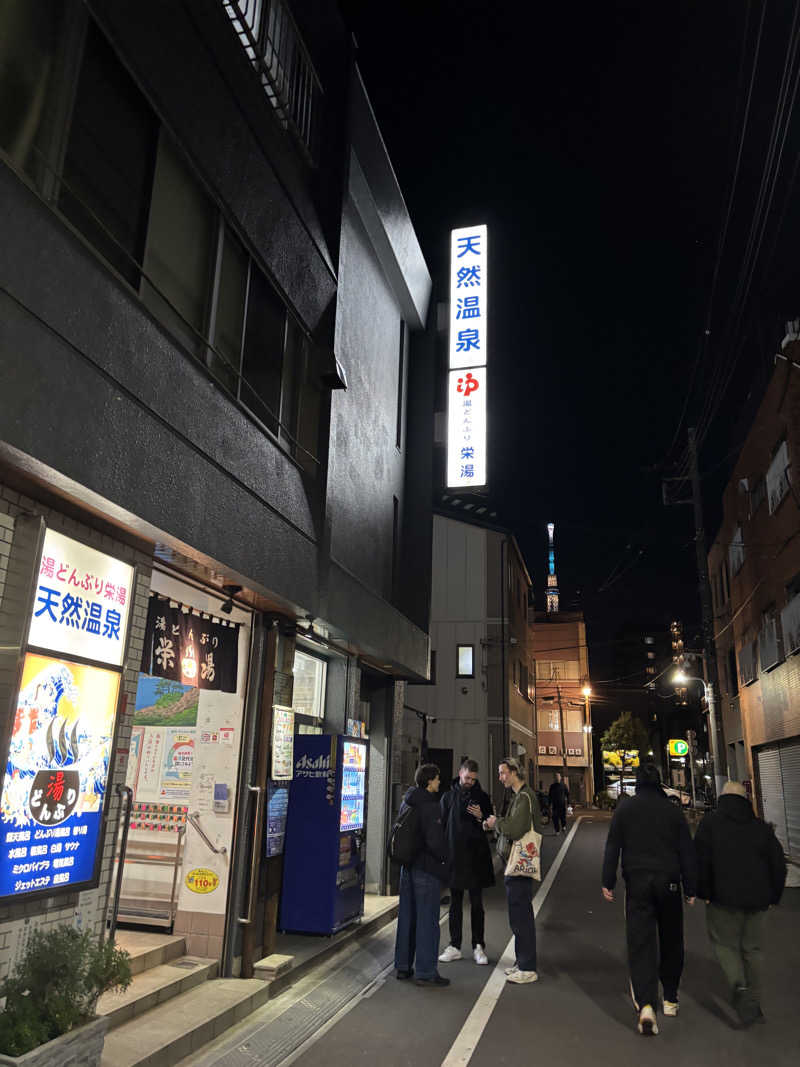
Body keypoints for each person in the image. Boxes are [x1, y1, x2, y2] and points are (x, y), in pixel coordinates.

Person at [601, 761, 696, 1036]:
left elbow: (612, 846)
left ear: (637, 782)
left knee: (641, 942)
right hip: (669, 883)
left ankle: (645, 1004)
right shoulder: (672, 811)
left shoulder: (626, 809)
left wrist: (608, 881)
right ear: (659, 782)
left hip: (638, 883)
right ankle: (670, 998)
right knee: (671, 938)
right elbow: (686, 851)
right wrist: (691, 887)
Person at [694, 780, 786, 1025]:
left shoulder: (710, 824)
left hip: (722, 898)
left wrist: (703, 892)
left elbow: (700, 860)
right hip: (758, 900)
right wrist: (773, 896)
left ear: (723, 798)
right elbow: (778, 865)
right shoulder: (760, 827)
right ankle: (754, 1004)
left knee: (725, 945)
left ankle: (739, 988)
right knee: (752, 950)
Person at [484, 757, 543, 984]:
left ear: (514, 772)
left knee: (521, 916)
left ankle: (528, 967)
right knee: (518, 915)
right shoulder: (521, 796)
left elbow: (516, 829)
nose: (500, 778)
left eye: (502, 773)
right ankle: (522, 962)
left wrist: (495, 823)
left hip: (519, 864)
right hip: (516, 862)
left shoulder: (524, 797)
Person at [394, 763, 451, 987]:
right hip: (426, 869)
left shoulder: (406, 802)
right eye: (437, 779)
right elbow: (435, 842)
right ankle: (426, 971)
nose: (439, 782)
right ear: (429, 781)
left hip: (406, 868)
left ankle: (402, 966)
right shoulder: (430, 806)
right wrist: (446, 860)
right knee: (427, 921)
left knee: (407, 917)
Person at [438, 758, 494, 966]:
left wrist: (482, 817)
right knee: (455, 902)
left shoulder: (482, 797)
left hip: (476, 857)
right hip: (454, 857)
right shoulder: (448, 797)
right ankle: (454, 945)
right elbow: (441, 826)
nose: (469, 781)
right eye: (467, 777)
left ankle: (478, 945)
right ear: (460, 773)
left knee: (477, 904)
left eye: (473, 779)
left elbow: (492, 823)